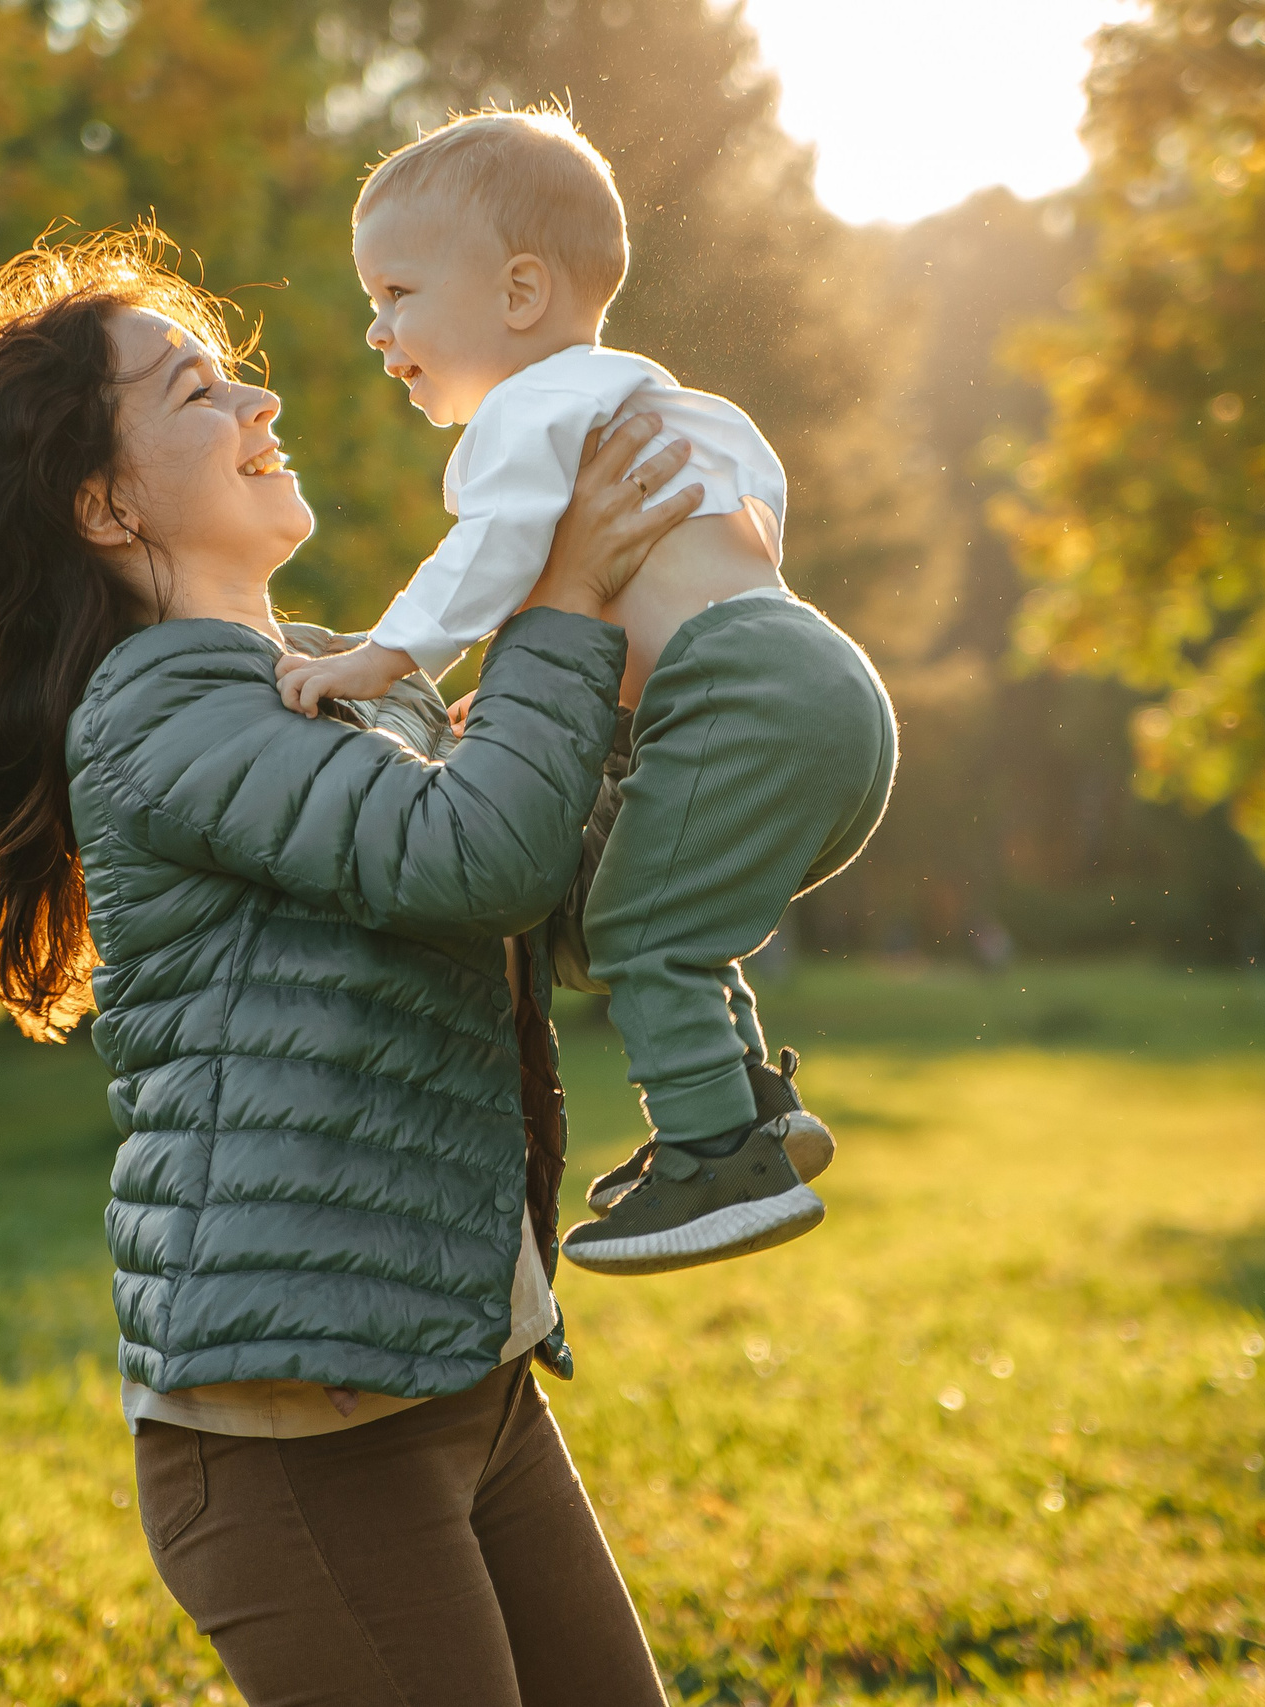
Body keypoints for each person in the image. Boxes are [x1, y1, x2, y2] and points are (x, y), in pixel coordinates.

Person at [0, 226, 695, 1707]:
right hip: (297, 1439)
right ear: (104, 499)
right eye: (201, 391)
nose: (262, 405)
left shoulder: (329, 676)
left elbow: (547, 892)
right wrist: (556, 599)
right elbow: (476, 854)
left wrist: (705, 720)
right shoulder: (156, 711)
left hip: (460, 1361)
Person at [273, 108, 898, 1278]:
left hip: (739, 696)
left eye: (398, 294)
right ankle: (753, 1105)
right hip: (821, 682)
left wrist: (388, 657)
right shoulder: (669, 404)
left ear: (519, 294)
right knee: (673, 907)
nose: (375, 330)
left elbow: (495, 552)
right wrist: (553, 693)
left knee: (634, 930)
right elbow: (725, 542)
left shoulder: (528, 409)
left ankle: (715, 1155)